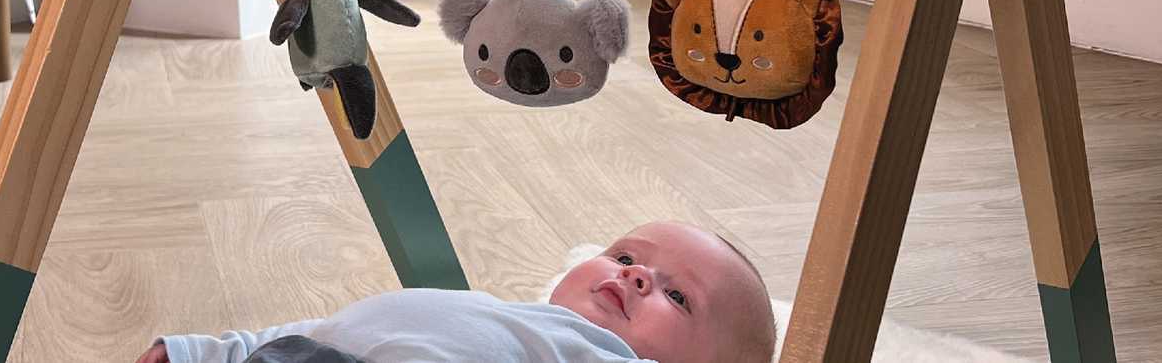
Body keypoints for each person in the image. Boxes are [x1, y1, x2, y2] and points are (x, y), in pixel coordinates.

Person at [136, 221, 776, 363]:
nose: (635, 276)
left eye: (679, 297)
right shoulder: (496, 312)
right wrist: (203, 354)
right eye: (626, 256)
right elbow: (313, 334)